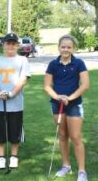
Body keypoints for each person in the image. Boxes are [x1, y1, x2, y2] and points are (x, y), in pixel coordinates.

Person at [44, 35, 89, 181]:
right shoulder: (53, 64)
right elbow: (47, 85)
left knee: (75, 136)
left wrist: (70, 98)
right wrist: (58, 97)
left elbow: (85, 85)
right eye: (63, 46)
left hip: (74, 104)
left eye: (69, 47)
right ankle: (66, 165)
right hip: (57, 104)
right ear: (59, 47)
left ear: (73, 48)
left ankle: (82, 171)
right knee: (62, 135)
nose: (65, 49)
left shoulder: (79, 63)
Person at [0, 33, 30, 169]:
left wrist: (12, 93)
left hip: (16, 103)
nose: (11, 46)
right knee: (0, 131)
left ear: (17, 45)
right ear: (4, 45)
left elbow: (23, 79)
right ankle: (1, 157)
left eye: (13, 43)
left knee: (15, 130)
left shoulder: (22, 60)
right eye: (8, 43)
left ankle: (13, 156)